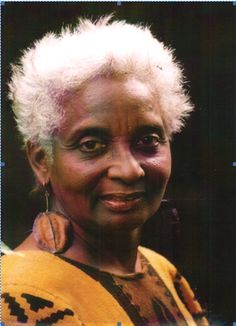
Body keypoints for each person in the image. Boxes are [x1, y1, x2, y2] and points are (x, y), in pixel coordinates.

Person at [2, 16, 209, 325]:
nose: (128, 170)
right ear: (42, 160)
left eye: (148, 140)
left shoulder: (160, 270)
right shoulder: (22, 297)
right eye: (91, 145)